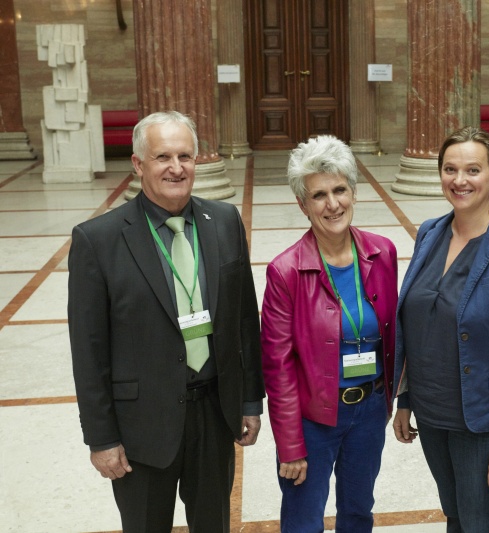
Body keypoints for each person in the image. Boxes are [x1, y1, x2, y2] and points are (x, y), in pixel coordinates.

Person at [68, 111, 264, 532]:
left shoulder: (225, 222)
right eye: (163, 157)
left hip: (214, 413)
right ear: (138, 165)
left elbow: (246, 322)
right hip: (141, 427)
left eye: (185, 156)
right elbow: (89, 351)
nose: (177, 168)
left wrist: (249, 401)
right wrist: (101, 439)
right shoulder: (97, 240)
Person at [392, 127, 489, 532]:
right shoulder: (430, 232)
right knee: (457, 516)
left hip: (482, 422)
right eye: (450, 169)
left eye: (473, 170)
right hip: (431, 413)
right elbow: (417, 325)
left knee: (480, 522)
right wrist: (405, 398)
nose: (459, 180)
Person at [261, 135, 398, 532]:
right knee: (304, 521)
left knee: (358, 513)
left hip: (369, 410)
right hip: (312, 419)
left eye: (340, 189)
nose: (332, 203)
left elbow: (393, 334)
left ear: (354, 192)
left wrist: (397, 400)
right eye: (319, 195)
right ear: (303, 205)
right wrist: (289, 444)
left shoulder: (382, 252)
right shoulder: (285, 271)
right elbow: (277, 366)